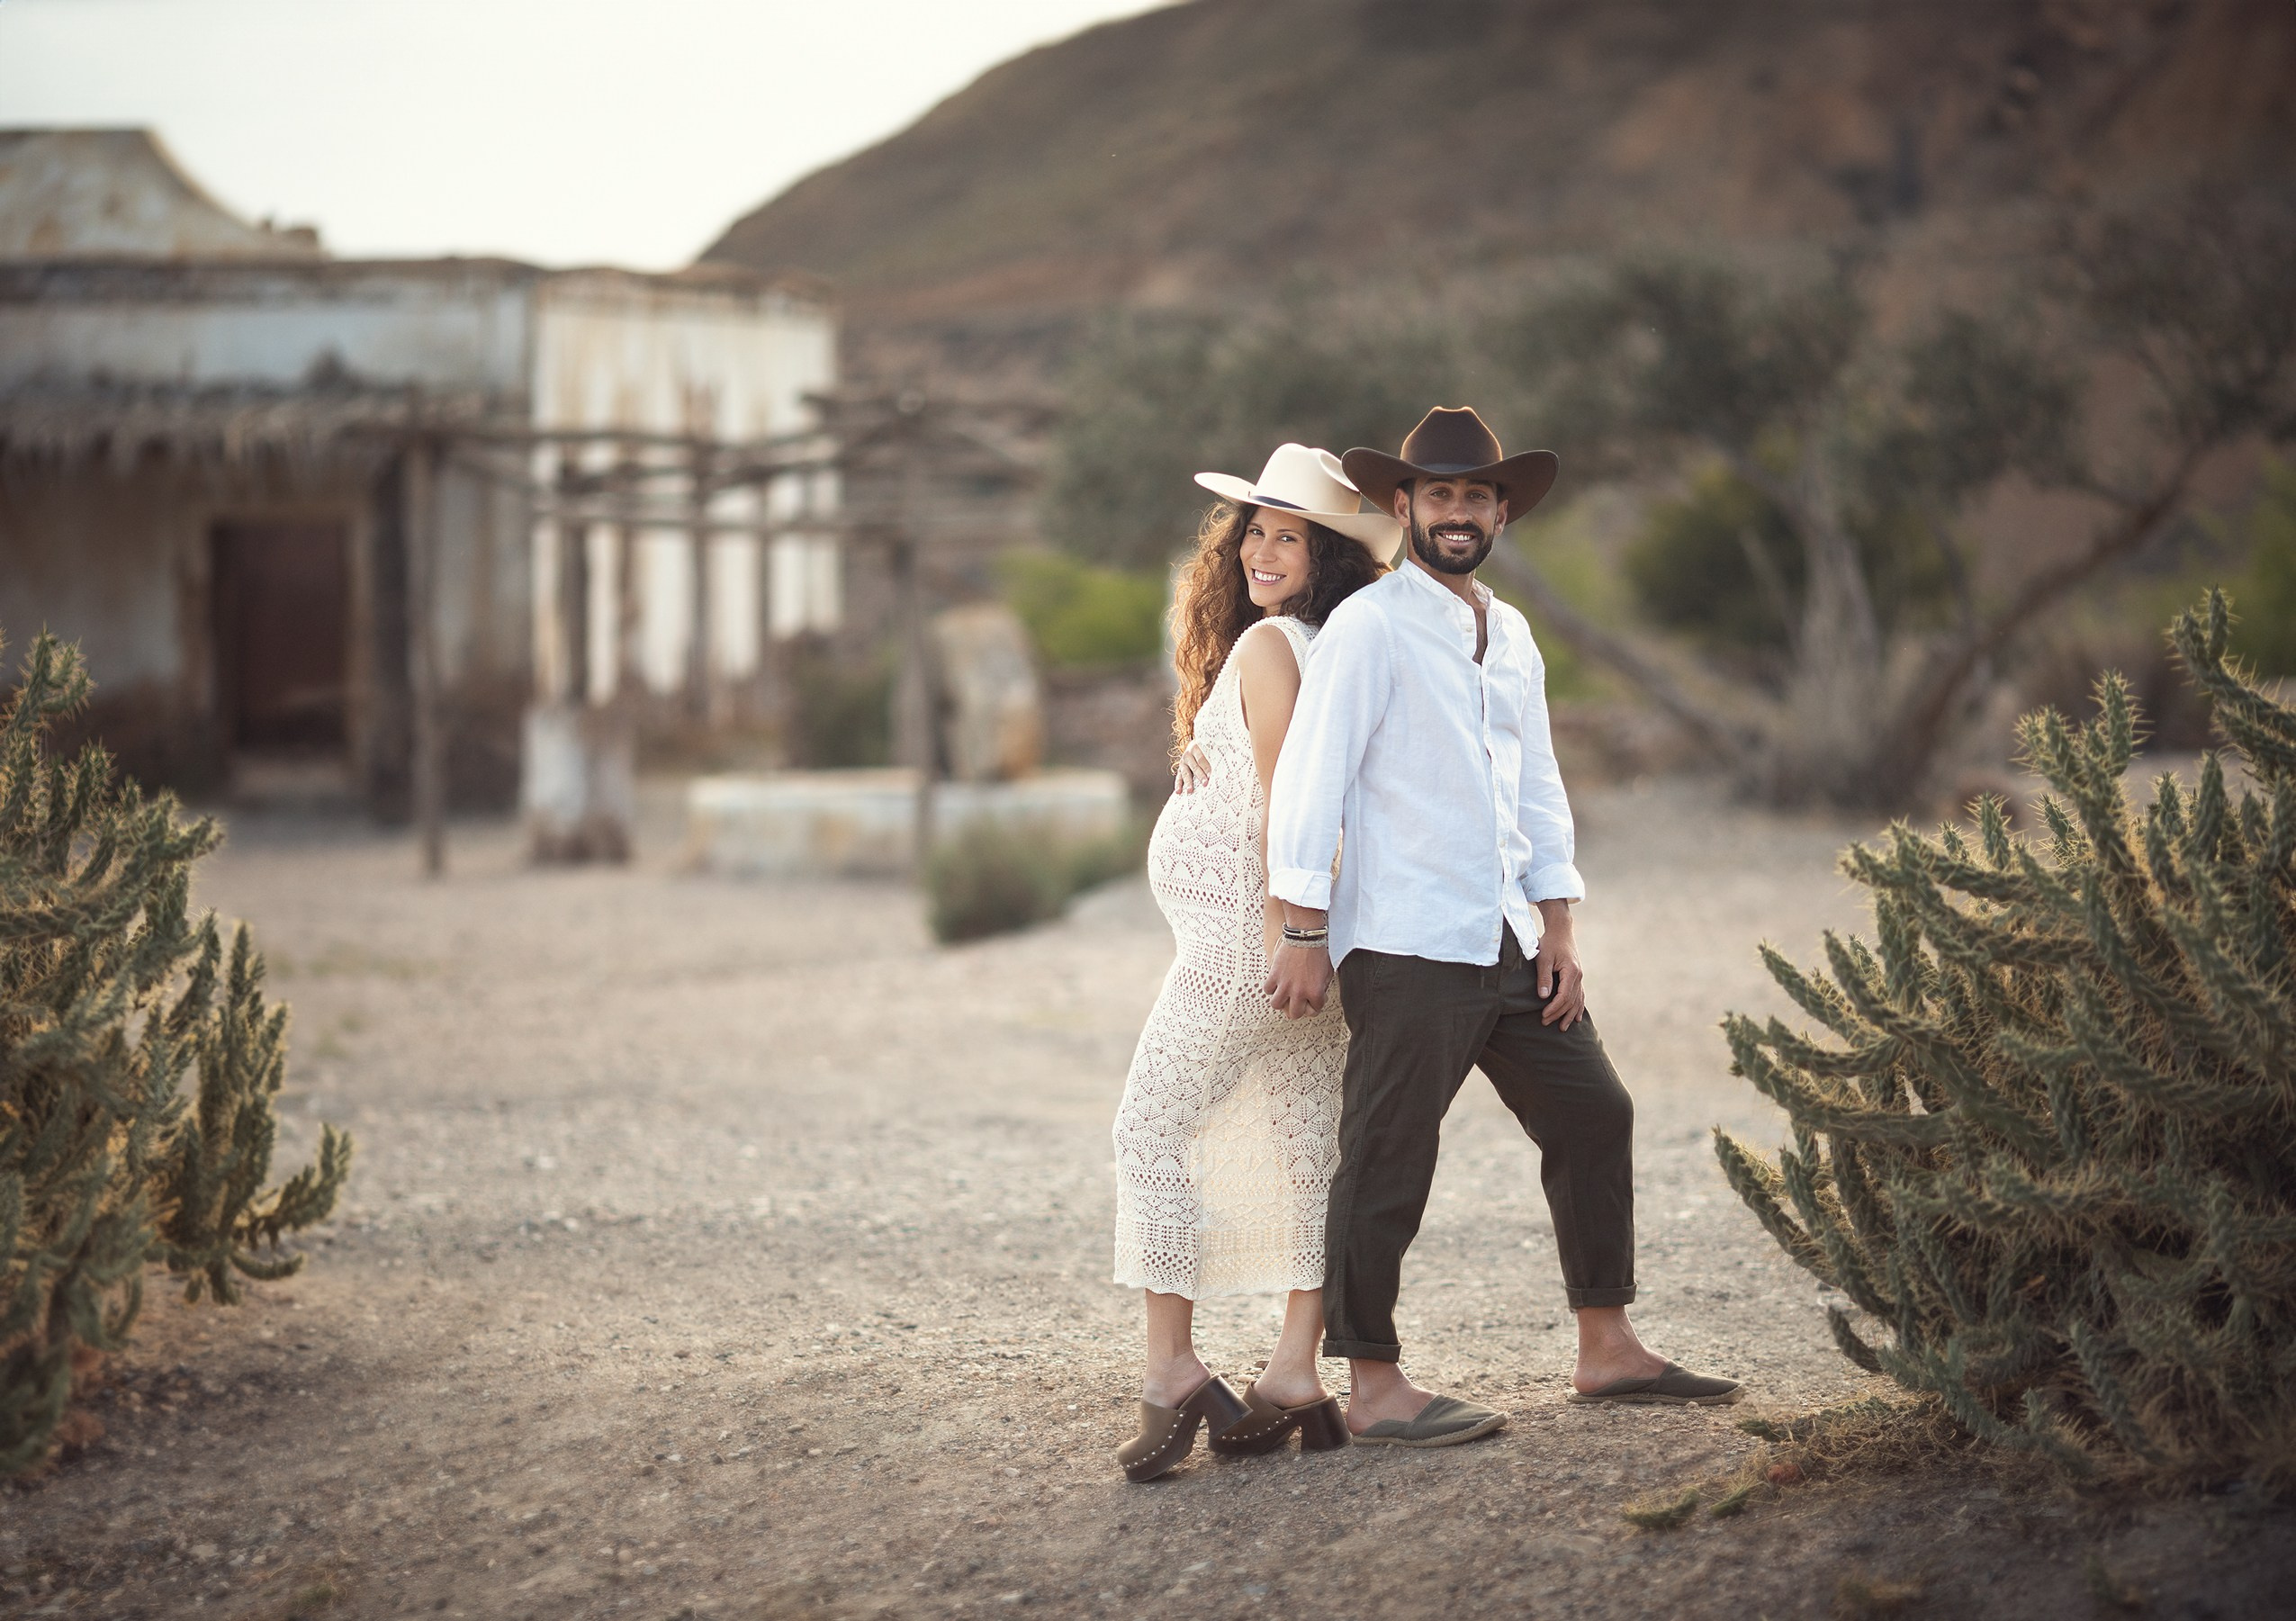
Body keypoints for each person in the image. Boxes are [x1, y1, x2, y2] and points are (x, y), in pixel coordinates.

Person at [1263, 407, 1743, 1450]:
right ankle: (1375, 1382)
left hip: (1508, 937)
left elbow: (1536, 788)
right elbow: (1311, 777)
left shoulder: (1512, 632)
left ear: (1499, 512)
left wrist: (1558, 924)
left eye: (1476, 496)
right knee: (1387, 1151)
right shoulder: (1371, 626)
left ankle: (1606, 1345)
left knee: (1593, 1110)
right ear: (1403, 507)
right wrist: (1302, 929)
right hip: (1405, 939)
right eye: (1438, 495)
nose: (1457, 512)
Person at [1110, 443, 1399, 1482]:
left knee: (1147, 1127)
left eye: (1290, 537)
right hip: (1289, 945)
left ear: (1324, 557)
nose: (1263, 552)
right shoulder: (1324, 647)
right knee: (1302, 1145)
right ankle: (1293, 1372)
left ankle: (1173, 1373)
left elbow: (1291, 803)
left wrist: (1290, 932)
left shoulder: (1275, 649)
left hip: (1253, 948)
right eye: (1256, 533)